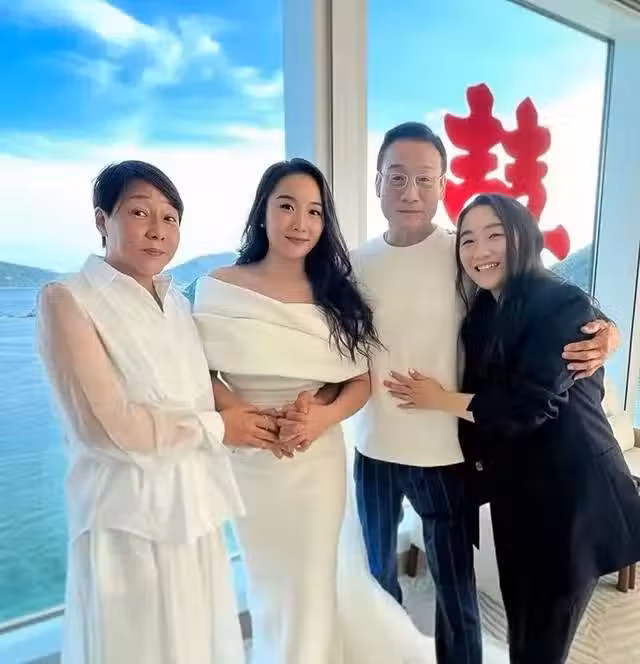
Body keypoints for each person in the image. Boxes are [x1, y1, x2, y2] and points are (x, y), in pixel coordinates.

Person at [351, 122, 619, 664]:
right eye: (396, 177)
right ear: (377, 182)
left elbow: (541, 294)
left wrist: (608, 330)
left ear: (442, 184)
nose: (410, 191)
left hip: (445, 451)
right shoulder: (355, 262)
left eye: (424, 178)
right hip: (373, 447)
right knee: (376, 577)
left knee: (456, 594)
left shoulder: (462, 252)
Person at [192, 158, 438, 664]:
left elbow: (360, 382)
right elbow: (198, 372)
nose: (300, 222)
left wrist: (320, 418)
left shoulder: (337, 293)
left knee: (311, 582)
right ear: (262, 211)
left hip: (315, 461)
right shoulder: (218, 286)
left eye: (314, 212)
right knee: (268, 582)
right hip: (248, 460)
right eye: (287, 206)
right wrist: (243, 415)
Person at [36, 160, 276, 664]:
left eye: (170, 218)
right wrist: (221, 427)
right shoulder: (68, 299)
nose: (157, 230)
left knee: (197, 646)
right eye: (139, 212)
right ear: (102, 220)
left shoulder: (175, 301)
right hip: (128, 520)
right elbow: (105, 428)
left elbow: (200, 386)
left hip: (194, 508)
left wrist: (262, 421)